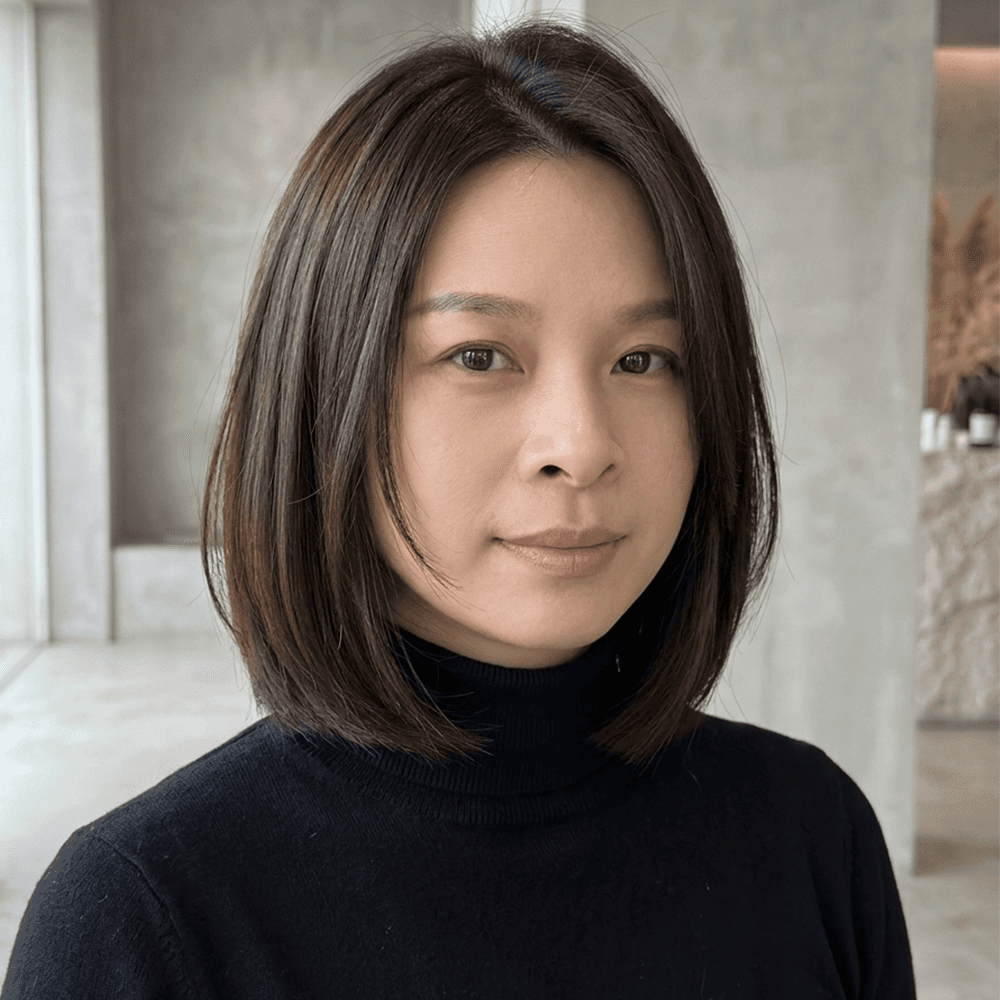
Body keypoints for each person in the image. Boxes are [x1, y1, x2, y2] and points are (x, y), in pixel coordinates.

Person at [2, 16, 917, 998]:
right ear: (324, 393)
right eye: (478, 356)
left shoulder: (813, 837)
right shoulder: (142, 920)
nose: (581, 445)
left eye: (644, 360)